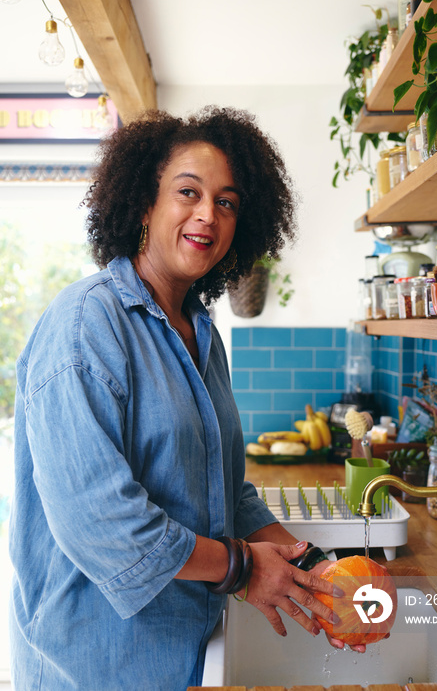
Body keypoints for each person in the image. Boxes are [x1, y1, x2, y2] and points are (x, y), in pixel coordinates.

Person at [9, 106, 353, 691]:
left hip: (183, 650)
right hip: (95, 663)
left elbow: (226, 491)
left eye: (227, 201)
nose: (207, 215)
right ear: (144, 204)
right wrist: (242, 569)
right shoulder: (86, 324)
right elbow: (102, 522)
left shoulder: (200, 332)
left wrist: (317, 568)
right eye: (187, 192)